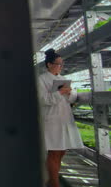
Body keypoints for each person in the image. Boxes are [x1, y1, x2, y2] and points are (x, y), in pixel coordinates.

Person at [38, 48, 84, 187]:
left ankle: (51, 180)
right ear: (49, 65)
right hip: (52, 119)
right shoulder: (42, 79)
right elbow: (43, 100)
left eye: (62, 64)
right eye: (58, 64)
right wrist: (60, 93)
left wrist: (70, 92)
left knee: (61, 150)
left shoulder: (62, 79)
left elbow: (72, 98)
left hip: (64, 118)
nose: (60, 66)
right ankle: (54, 183)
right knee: (55, 151)